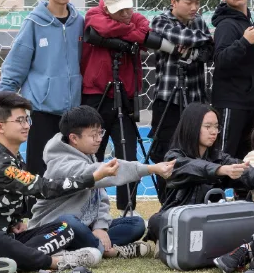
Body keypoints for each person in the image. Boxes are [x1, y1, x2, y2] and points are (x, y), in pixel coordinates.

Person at [0, 92, 115, 273]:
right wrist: (92, 177)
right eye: (19, 121)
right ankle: (56, 262)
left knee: (65, 228)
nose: (26, 125)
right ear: (0, 127)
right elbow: (44, 188)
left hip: (6, 239)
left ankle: (0, 263)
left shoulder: (15, 159)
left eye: (27, 120)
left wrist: (14, 221)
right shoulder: (0, 164)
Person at [30, 105, 174, 259]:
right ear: (74, 138)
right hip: (52, 231)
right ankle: (109, 251)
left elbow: (100, 199)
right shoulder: (61, 164)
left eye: (100, 133)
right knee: (67, 222)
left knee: (136, 224)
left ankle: (90, 247)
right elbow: (107, 172)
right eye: (94, 135)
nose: (99, 139)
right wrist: (151, 168)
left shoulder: (87, 155)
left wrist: (101, 227)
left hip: (85, 229)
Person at [145, 103, 254, 243]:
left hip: (211, 218)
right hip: (180, 219)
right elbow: (194, 167)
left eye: (216, 127)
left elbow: (243, 170)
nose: (214, 132)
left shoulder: (219, 157)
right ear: (192, 127)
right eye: (208, 127)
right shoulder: (173, 157)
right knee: (157, 221)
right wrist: (220, 170)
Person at [0, 0, 83, 176]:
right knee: (39, 167)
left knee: (70, 169)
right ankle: (35, 200)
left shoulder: (79, 22)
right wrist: (1, 104)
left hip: (73, 111)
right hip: (42, 109)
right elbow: (15, 65)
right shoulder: (34, 23)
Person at [81, 0, 151, 212]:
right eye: (120, 11)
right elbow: (102, 26)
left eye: (128, 9)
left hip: (125, 96)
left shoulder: (135, 18)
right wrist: (130, 33)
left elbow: (145, 31)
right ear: (107, 8)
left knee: (128, 155)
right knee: (93, 153)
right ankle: (89, 208)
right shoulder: (94, 14)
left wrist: (118, 33)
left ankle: (127, 209)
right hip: (96, 95)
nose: (126, 14)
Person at [148, 0, 214, 201]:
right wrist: (201, 43)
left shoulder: (199, 21)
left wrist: (190, 48)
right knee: (164, 152)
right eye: (189, 2)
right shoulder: (160, 20)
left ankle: (193, 199)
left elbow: (209, 51)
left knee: (196, 150)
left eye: (197, 3)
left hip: (196, 99)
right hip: (168, 98)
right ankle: (166, 202)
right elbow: (182, 37)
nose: (194, 8)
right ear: (174, 2)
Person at [212, 0, 254, 158]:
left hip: (249, 102)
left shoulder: (250, 21)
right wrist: (244, 41)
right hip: (231, 102)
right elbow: (220, 60)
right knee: (224, 156)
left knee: (245, 159)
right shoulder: (226, 25)